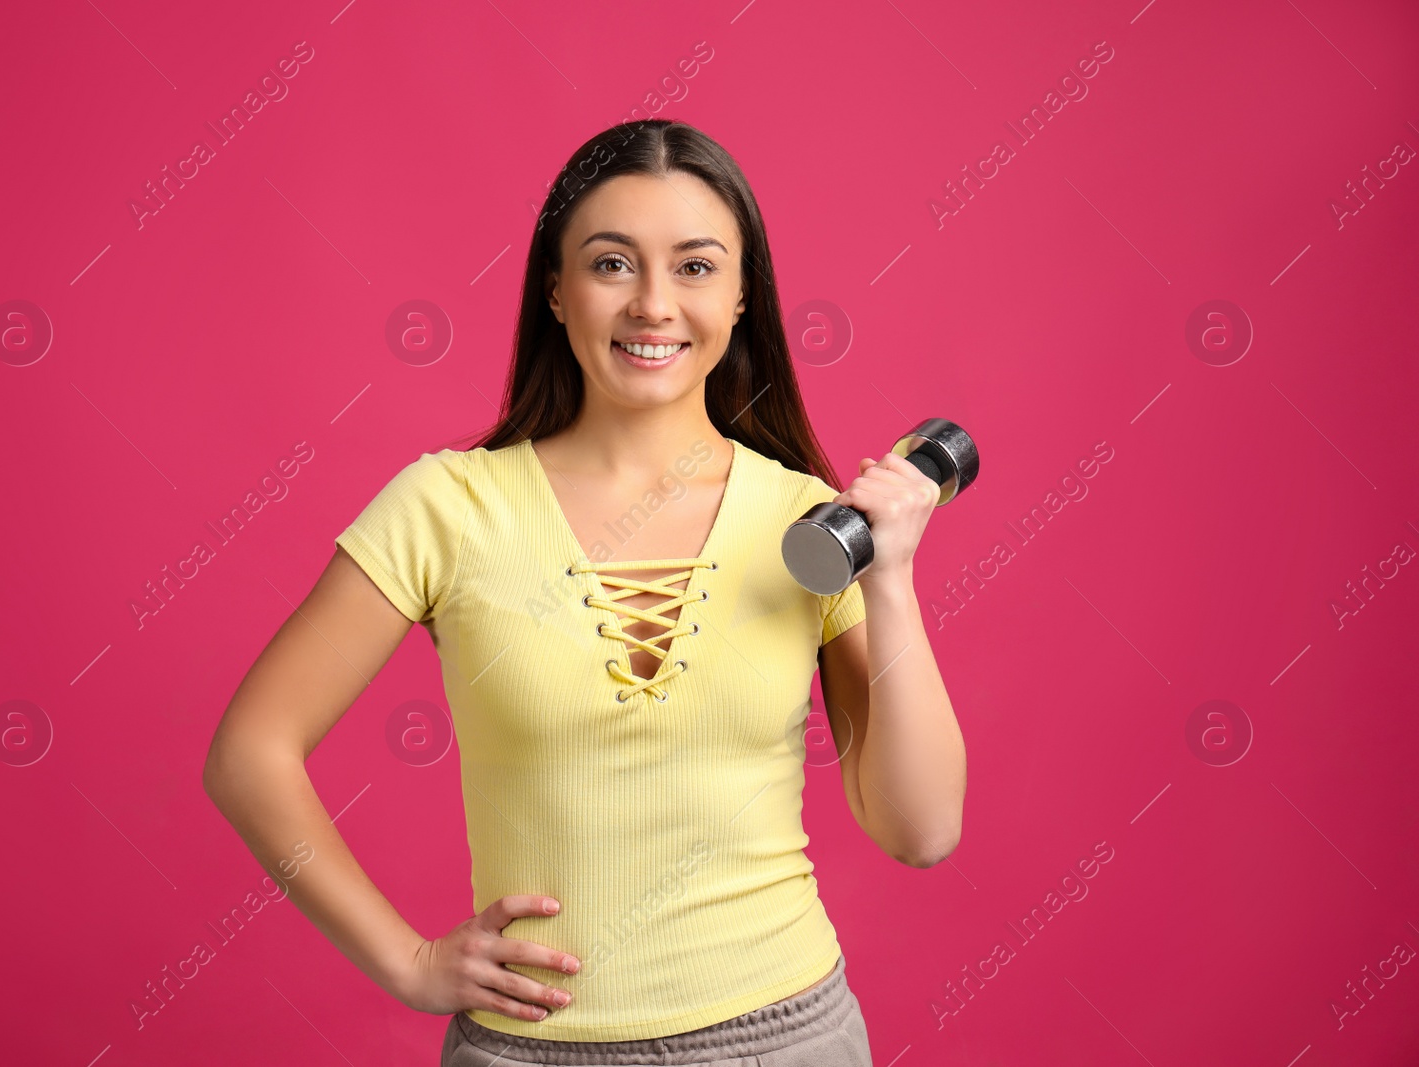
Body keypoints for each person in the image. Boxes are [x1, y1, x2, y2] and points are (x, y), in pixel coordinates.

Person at [203, 118, 967, 1067]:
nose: (653, 304)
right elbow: (249, 754)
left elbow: (923, 828)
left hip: (788, 1037)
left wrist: (889, 576)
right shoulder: (450, 506)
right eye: (613, 264)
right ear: (557, 293)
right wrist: (405, 962)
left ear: (740, 299)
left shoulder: (810, 524)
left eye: (695, 267)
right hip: (531, 1051)